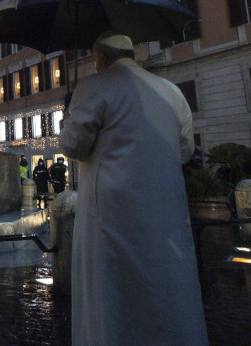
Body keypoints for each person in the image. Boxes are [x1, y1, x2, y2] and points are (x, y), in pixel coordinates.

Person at [59, 31, 208, 345]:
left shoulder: (92, 87)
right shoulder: (171, 91)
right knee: (168, 293)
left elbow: (72, 145)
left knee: (113, 303)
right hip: (165, 216)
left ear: (100, 58)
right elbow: (184, 151)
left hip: (111, 219)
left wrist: (67, 118)